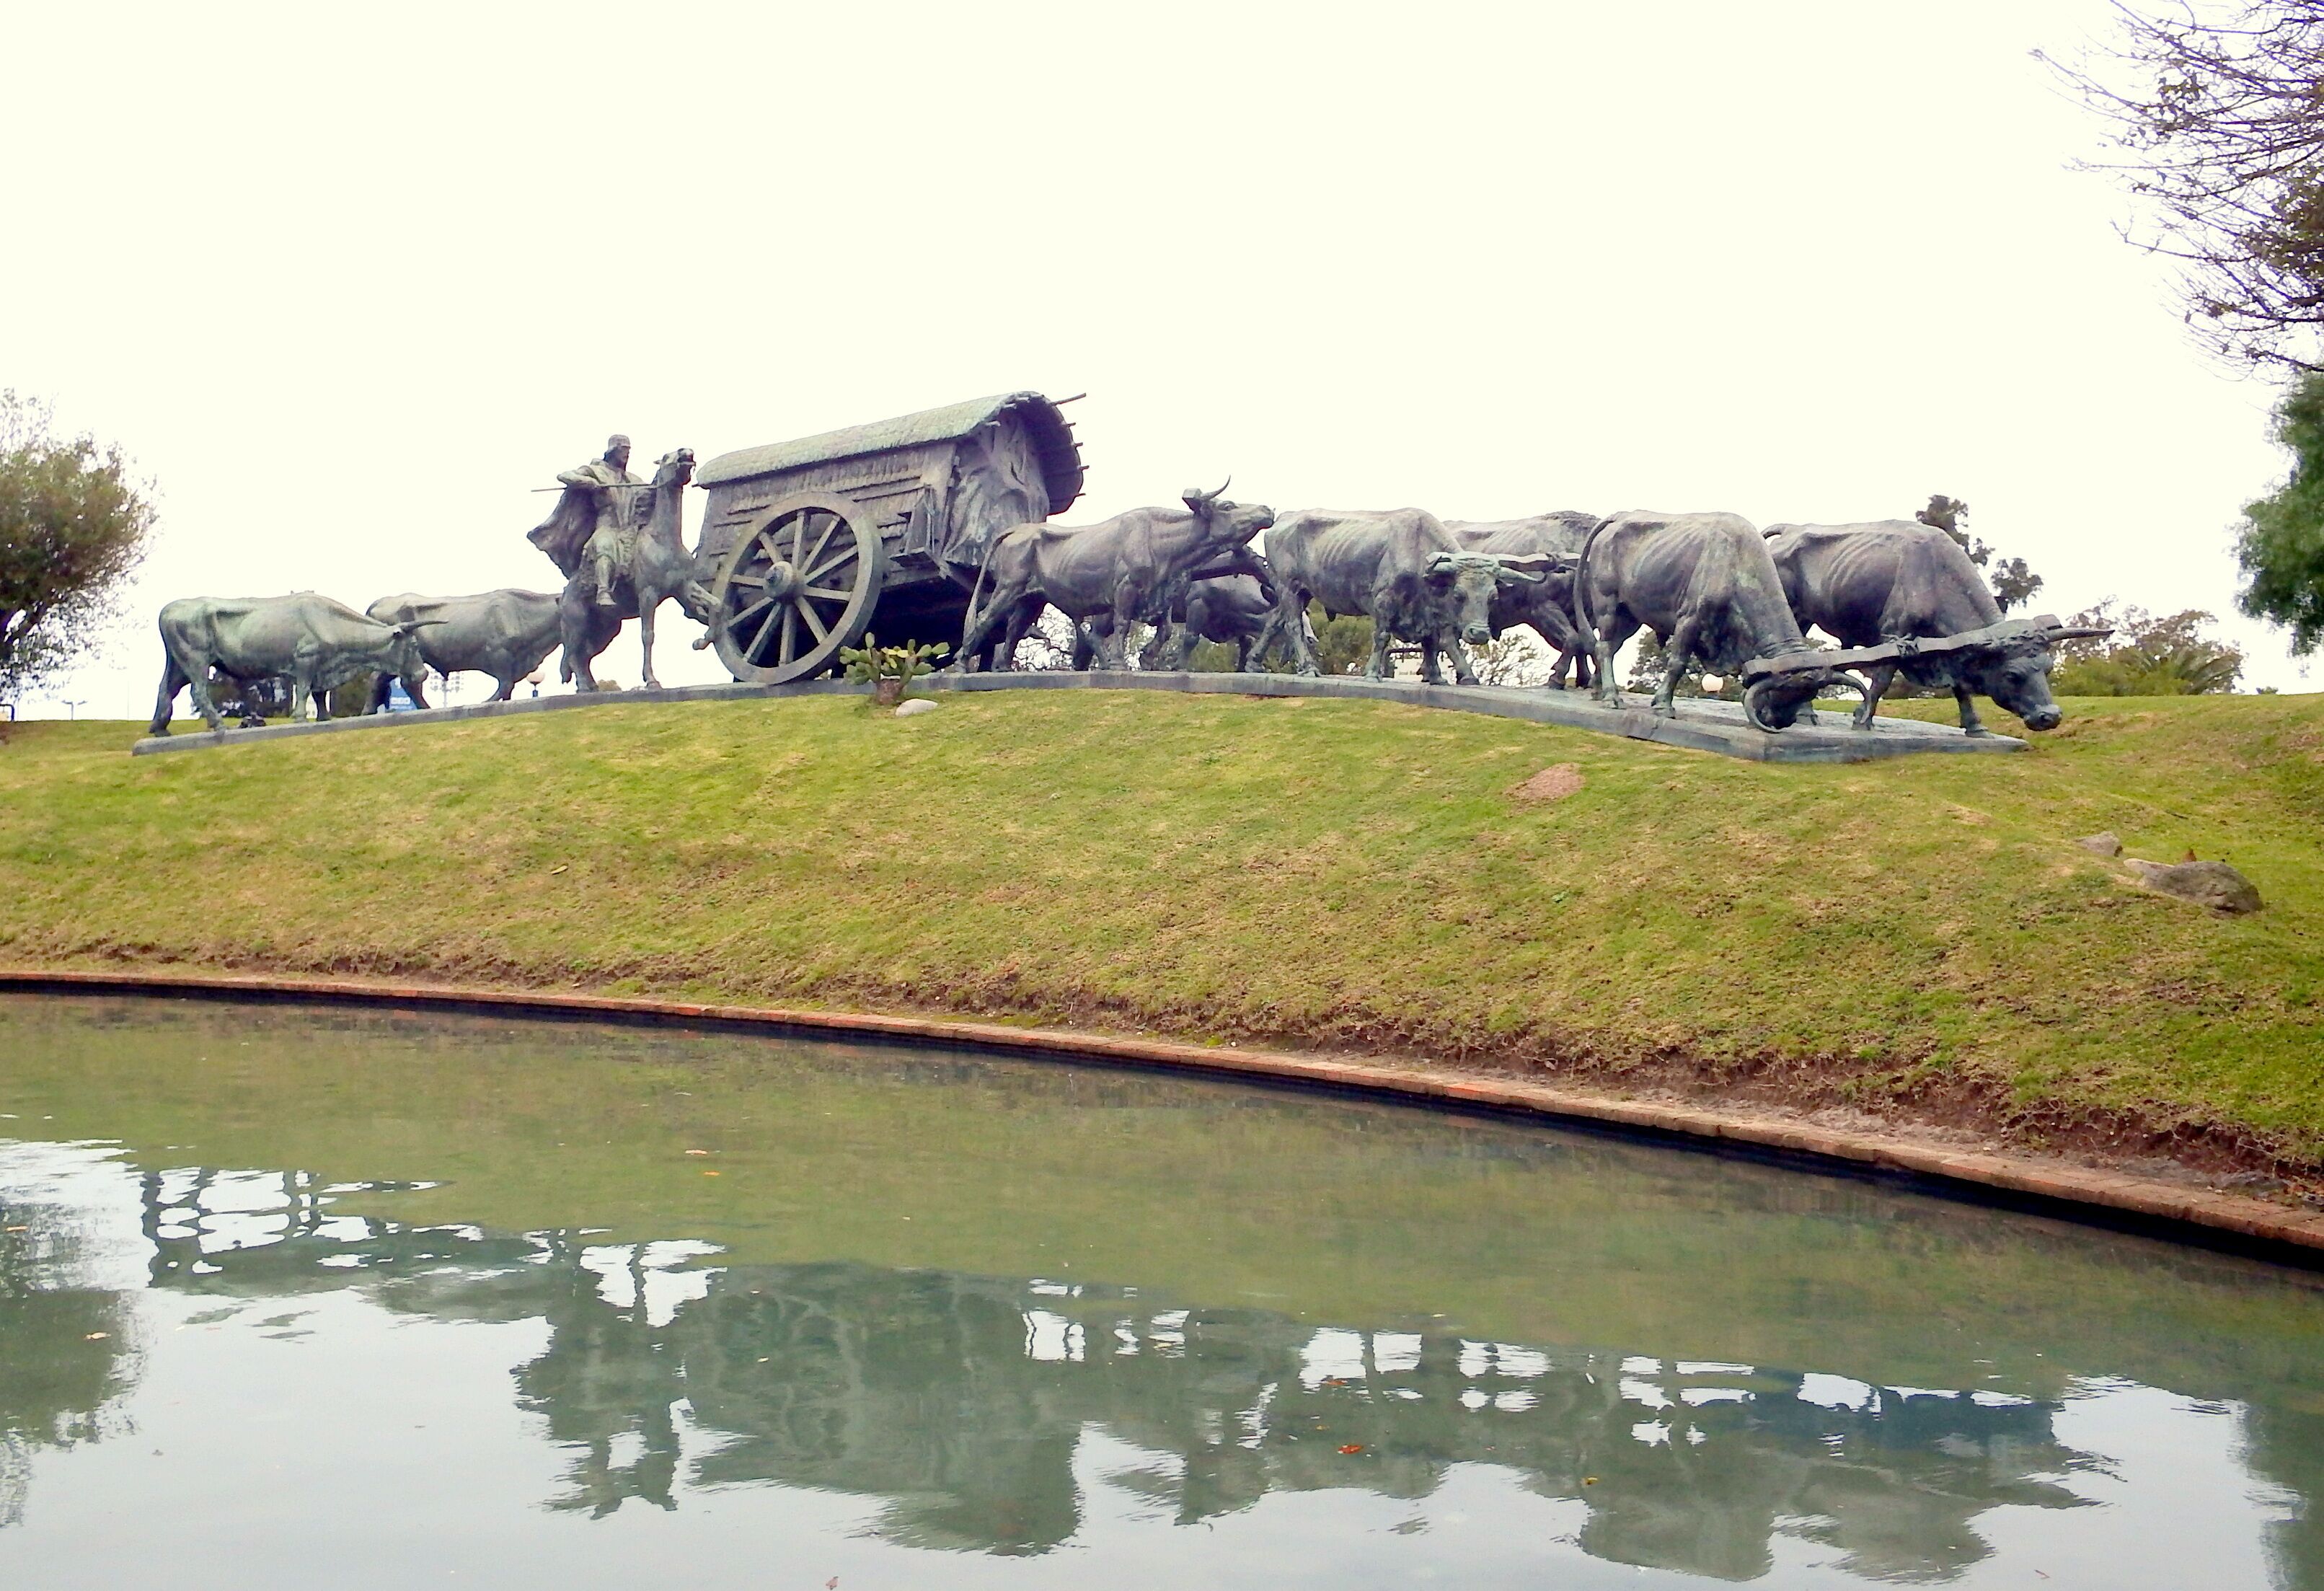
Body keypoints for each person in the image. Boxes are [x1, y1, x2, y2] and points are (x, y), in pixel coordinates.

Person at [526, 434, 640, 604]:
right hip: (607, 526)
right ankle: (603, 591)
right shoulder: (595, 471)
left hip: (631, 530)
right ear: (613, 450)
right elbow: (565, 476)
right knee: (604, 546)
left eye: (629, 450)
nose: (627, 453)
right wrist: (587, 481)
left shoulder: (633, 479)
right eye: (623, 449)